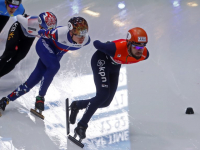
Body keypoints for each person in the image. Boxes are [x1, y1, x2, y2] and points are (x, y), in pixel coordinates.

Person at [0, 14, 90, 116]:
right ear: (70, 31)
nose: (82, 37)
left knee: (32, 81)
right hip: (44, 45)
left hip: (55, 54)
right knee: (54, 66)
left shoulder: (86, 40)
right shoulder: (59, 33)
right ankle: (40, 97)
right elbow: (42, 32)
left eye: (84, 33)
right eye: (78, 33)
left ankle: (5, 100)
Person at [69, 27, 149, 140]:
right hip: (100, 60)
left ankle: (77, 105)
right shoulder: (114, 49)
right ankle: (81, 125)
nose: (140, 50)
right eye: (136, 46)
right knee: (103, 95)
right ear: (128, 44)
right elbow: (96, 43)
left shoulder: (144, 55)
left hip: (114, 67)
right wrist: (107, 45)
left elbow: (138, 52)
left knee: (105, 102)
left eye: (143, 46)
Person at [0, 13, 41, 78]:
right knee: (9, 53)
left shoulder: (49, 32)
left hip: (29, 36)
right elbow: (18, 16)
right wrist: (24, 16)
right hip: (18, 28)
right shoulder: (30, 22)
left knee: (18, 58)